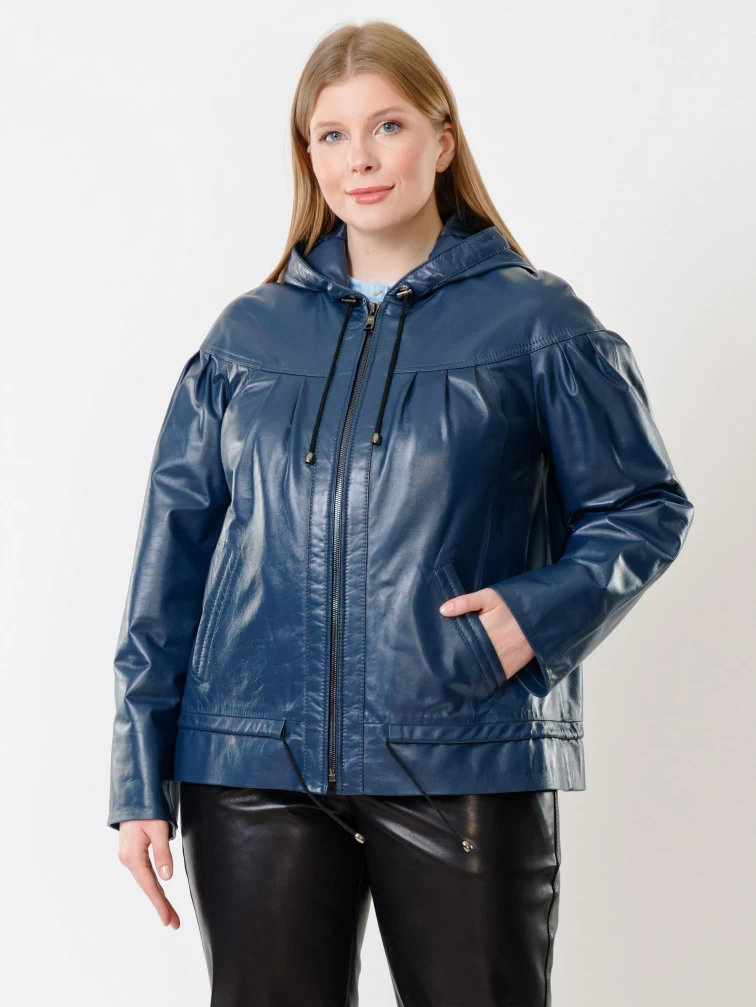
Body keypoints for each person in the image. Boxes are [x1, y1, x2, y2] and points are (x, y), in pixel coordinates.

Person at [107, 19, 695, 1007]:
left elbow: (642, 506)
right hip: (248, 767)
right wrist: (137, 776)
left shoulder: (538, 324)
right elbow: (171, 559)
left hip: (461, 752)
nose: (361, 159)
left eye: (388, 126)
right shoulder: (246, 338)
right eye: (331, 135)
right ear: (308, 156)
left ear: (442, 139)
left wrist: (532, 617)